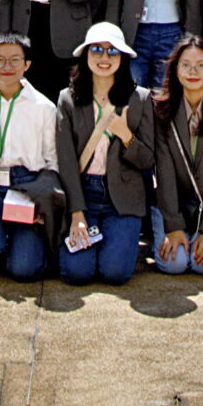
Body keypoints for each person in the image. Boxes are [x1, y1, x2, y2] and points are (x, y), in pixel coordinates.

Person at [55, 24, 156, 285]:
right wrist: (76, 213)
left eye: (112, 52)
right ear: (85, 54)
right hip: (83, 192)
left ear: (122, 57)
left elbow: (148, 159)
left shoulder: (140, 98)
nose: (104, 58)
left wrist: (126, 136)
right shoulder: (68, 98)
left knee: (115, 274)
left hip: (122, 198)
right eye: (97, 50)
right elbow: (65, 161)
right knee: (77, 273)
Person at [0, 33, 64, 281]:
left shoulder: (43, 107)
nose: (7, 67)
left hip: (27, 186)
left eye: (15, 60)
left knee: (24, 270)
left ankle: (24, 243)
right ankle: (1, 236)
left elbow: (53, 162)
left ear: (27, 64)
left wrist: (44, 199)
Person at [150, 34, 203, 275]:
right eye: (186, 65)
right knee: (173, 264)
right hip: (172, 205)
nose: (193, 71)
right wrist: (174, 227)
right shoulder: (161, 111)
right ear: (176, 70)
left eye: (200, 66)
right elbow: (164, 172)